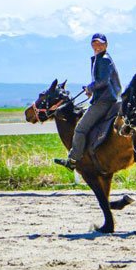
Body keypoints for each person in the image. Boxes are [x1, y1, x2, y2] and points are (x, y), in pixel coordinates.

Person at [54, 33, 122, 170]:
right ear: (91, 45)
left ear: (106, 45)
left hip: (104, 101)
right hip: (108, 97)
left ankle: (73, 160)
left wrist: (90, 87)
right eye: (95, 44)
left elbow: (103, 81)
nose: (97, 46)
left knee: (80, 129)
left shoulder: (104, 59)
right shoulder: (101, 58)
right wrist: (92, 90)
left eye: (100, 44)